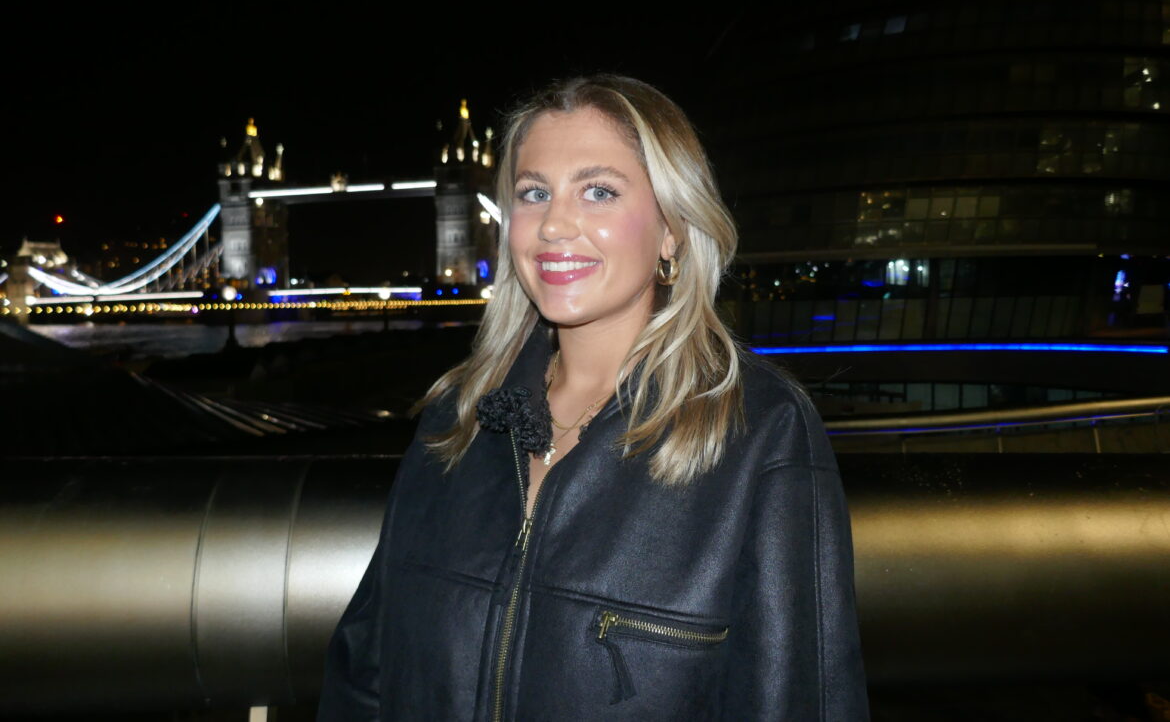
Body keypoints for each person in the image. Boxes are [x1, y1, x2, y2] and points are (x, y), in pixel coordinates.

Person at [318, 75, 869, 720]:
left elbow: (804, 700)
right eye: (533, 193)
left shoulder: (759, 431)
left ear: (673, 230)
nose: (554, 224)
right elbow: (365, 676)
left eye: (598, 191)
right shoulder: (457, 419)